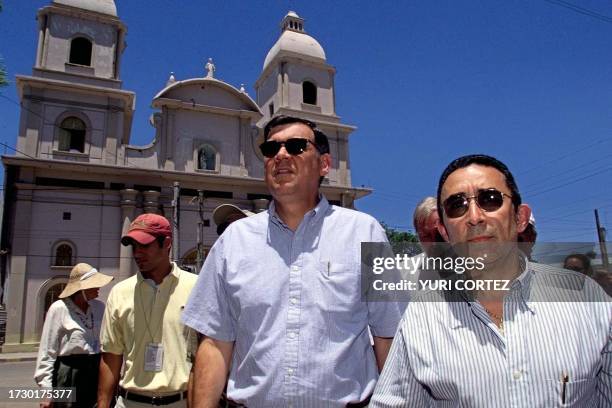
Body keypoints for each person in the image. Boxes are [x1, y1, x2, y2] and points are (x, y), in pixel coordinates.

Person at [183, 115, 403, 407]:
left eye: (297, 146)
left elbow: (388, 336)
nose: (281, 155)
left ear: (324, 164)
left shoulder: (367, 233)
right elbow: (214, 343)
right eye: (271, 149)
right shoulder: (233, 240)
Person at [371, 154, 612, 407]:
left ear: (519, 217)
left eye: (490, 199)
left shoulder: (584, 297)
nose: (475, 217)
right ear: (445, 231)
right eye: (457, 206)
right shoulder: (423, 315)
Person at [97, 214, 197, 408]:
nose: (137, 253)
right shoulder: (120, 292)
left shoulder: (196, 288)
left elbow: (206, 354)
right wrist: (103, 405)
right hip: (131, 402)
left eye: (144, 246)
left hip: (181, 402)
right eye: (134, 246)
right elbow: (111, 357)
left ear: (166, 243)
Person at [34, 263, 113, 408]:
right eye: (94, 284)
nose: (98, 288)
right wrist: (47, 391)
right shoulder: (59, 309)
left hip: (96, 372)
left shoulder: (100, 308)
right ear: (81, 288)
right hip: (69, 375)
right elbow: (47, 352)